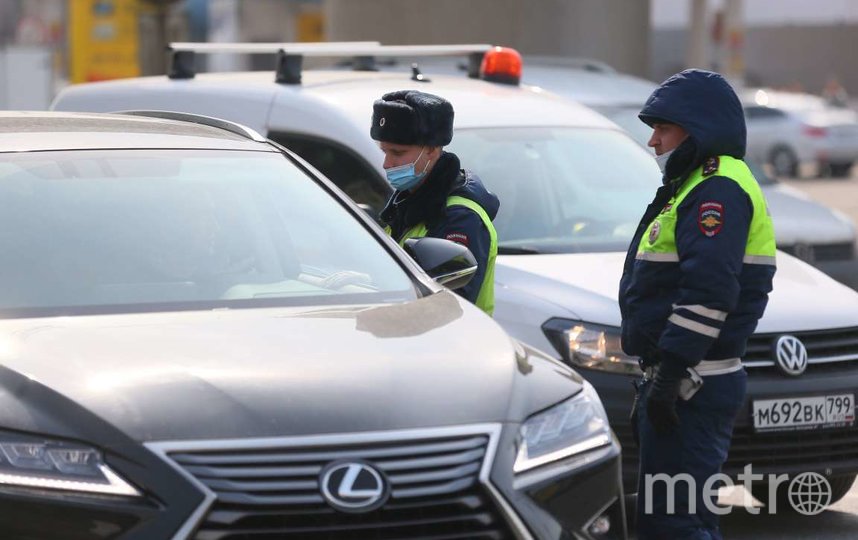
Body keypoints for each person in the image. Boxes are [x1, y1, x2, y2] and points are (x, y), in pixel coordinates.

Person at [619, 69, 777, 540]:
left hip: (694, 383)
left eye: (663, 129)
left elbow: (709, 292)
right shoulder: (696, 184)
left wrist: (670, 374)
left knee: (674, 524)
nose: (653, 141)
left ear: (697, 130)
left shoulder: (716, 189)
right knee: (684, 518)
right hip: (690, 379)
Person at [371, 90, 499, 315]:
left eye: (397, 153)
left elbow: (446, 308)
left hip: (450, 344)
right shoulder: (408, 202)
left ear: (431, 149)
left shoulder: (460, 218)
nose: (386, 163)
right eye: (384, 151)